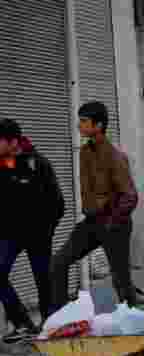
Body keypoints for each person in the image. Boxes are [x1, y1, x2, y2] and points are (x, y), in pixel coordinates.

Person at [50, 101, 139, 316]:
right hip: (92, 222)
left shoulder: (114, 156)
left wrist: (111, 221)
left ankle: (135, 324)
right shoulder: (84, 152)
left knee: (121, 280)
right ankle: (61, 319)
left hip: (115, 224)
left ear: (98, 125)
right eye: (79, 121)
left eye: (83, 121)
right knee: (58, 263)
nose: (79, 126)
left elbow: (130, 196)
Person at [0, 119, 65, 343]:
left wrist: (46, 230)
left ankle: (48, 325)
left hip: (38, 234)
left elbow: (58, 204)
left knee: (43, 280)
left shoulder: (38, 164)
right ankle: (22, 323)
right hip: (9, 234)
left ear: (12, 141)